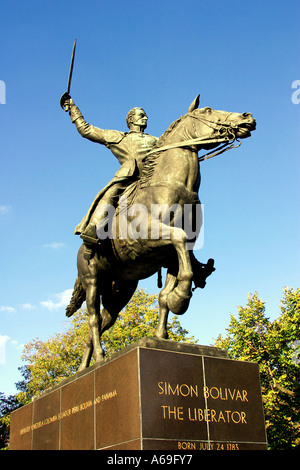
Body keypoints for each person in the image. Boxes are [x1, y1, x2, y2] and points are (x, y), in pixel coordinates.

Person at [62, 94, 158, 260]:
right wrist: (72, 108)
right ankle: (93, 231)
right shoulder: (118, 137)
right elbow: (86, 130)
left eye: (145, 115)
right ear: (131, 119)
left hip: (153, 179)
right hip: (129, 177)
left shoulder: (157, 140)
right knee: (110, 194)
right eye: (141, 115)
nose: (146, 118)